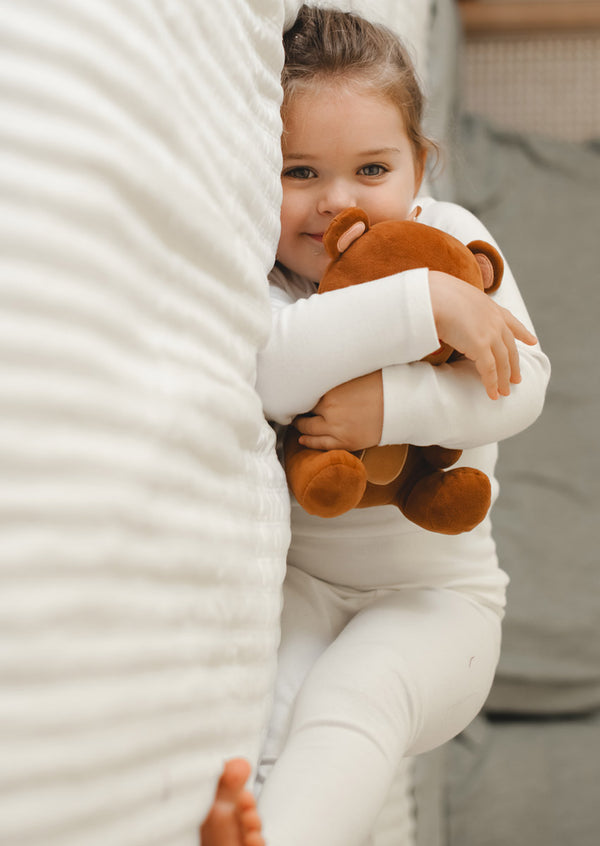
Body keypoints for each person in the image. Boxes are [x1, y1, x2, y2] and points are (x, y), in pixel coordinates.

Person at [202, 6, 550, 846]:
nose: (336, 203)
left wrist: (390, 408)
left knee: (358, 696)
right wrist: (421, 306)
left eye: (371, 167)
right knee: (268, 718)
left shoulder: (451, 241)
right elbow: (272, 368)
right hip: (313, 590)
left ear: (419, 166)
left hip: (441, 604)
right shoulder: (274, 284)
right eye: (299, 172)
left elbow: (521, 385)